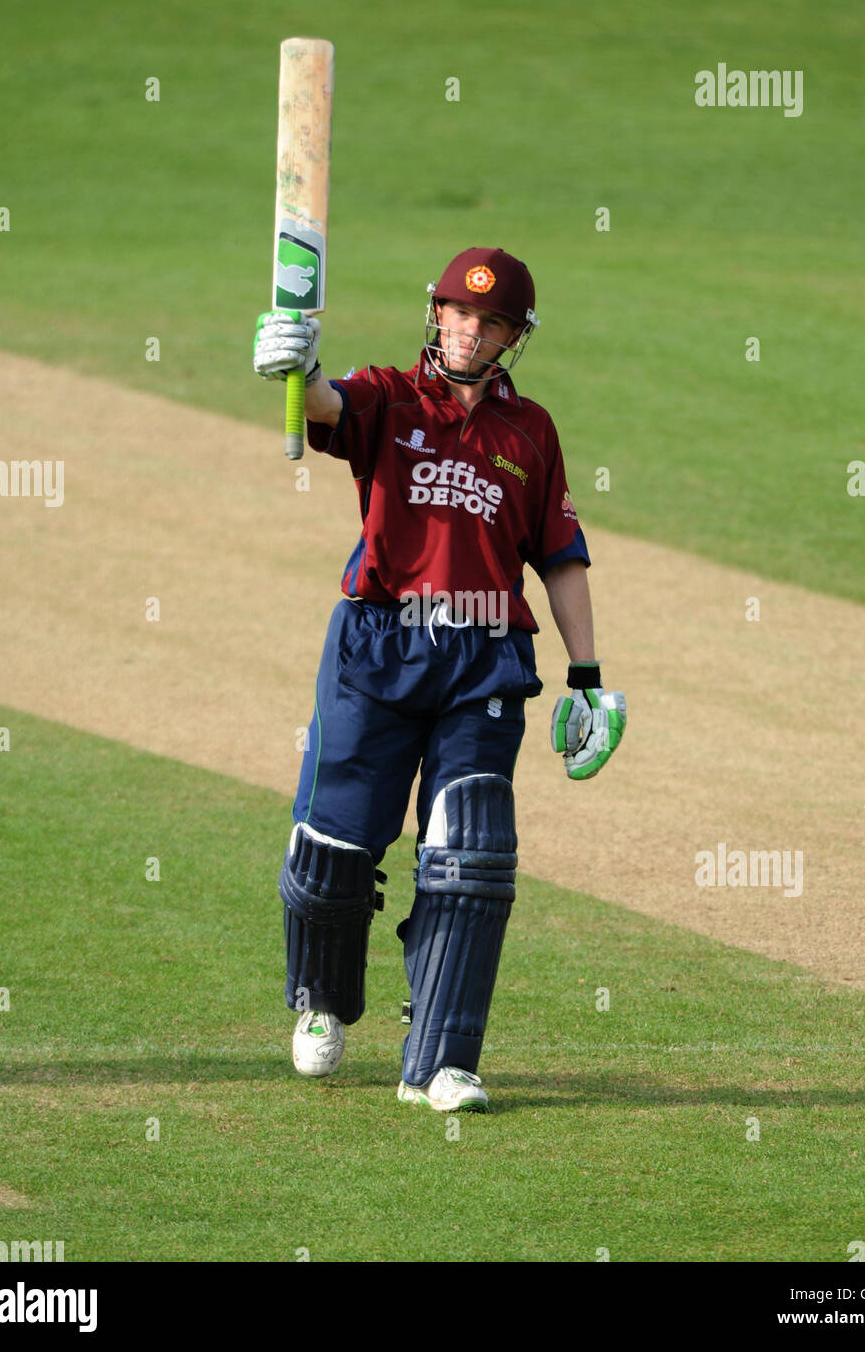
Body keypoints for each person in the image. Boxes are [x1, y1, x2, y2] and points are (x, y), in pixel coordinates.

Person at [253, 247, 625, 1113]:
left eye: (490, 320)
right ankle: (320, 1004)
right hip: (379, 643)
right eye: (458, 312)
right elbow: (325, 407)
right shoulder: (386, 393)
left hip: (486, 654)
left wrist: (589, 676)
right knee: (335, 853)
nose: (469, 329)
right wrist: (298, 366)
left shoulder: (530, 431)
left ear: (513, 337)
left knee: (472, 854)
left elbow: (561, 558)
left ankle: (444, 1061)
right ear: (435, 314)